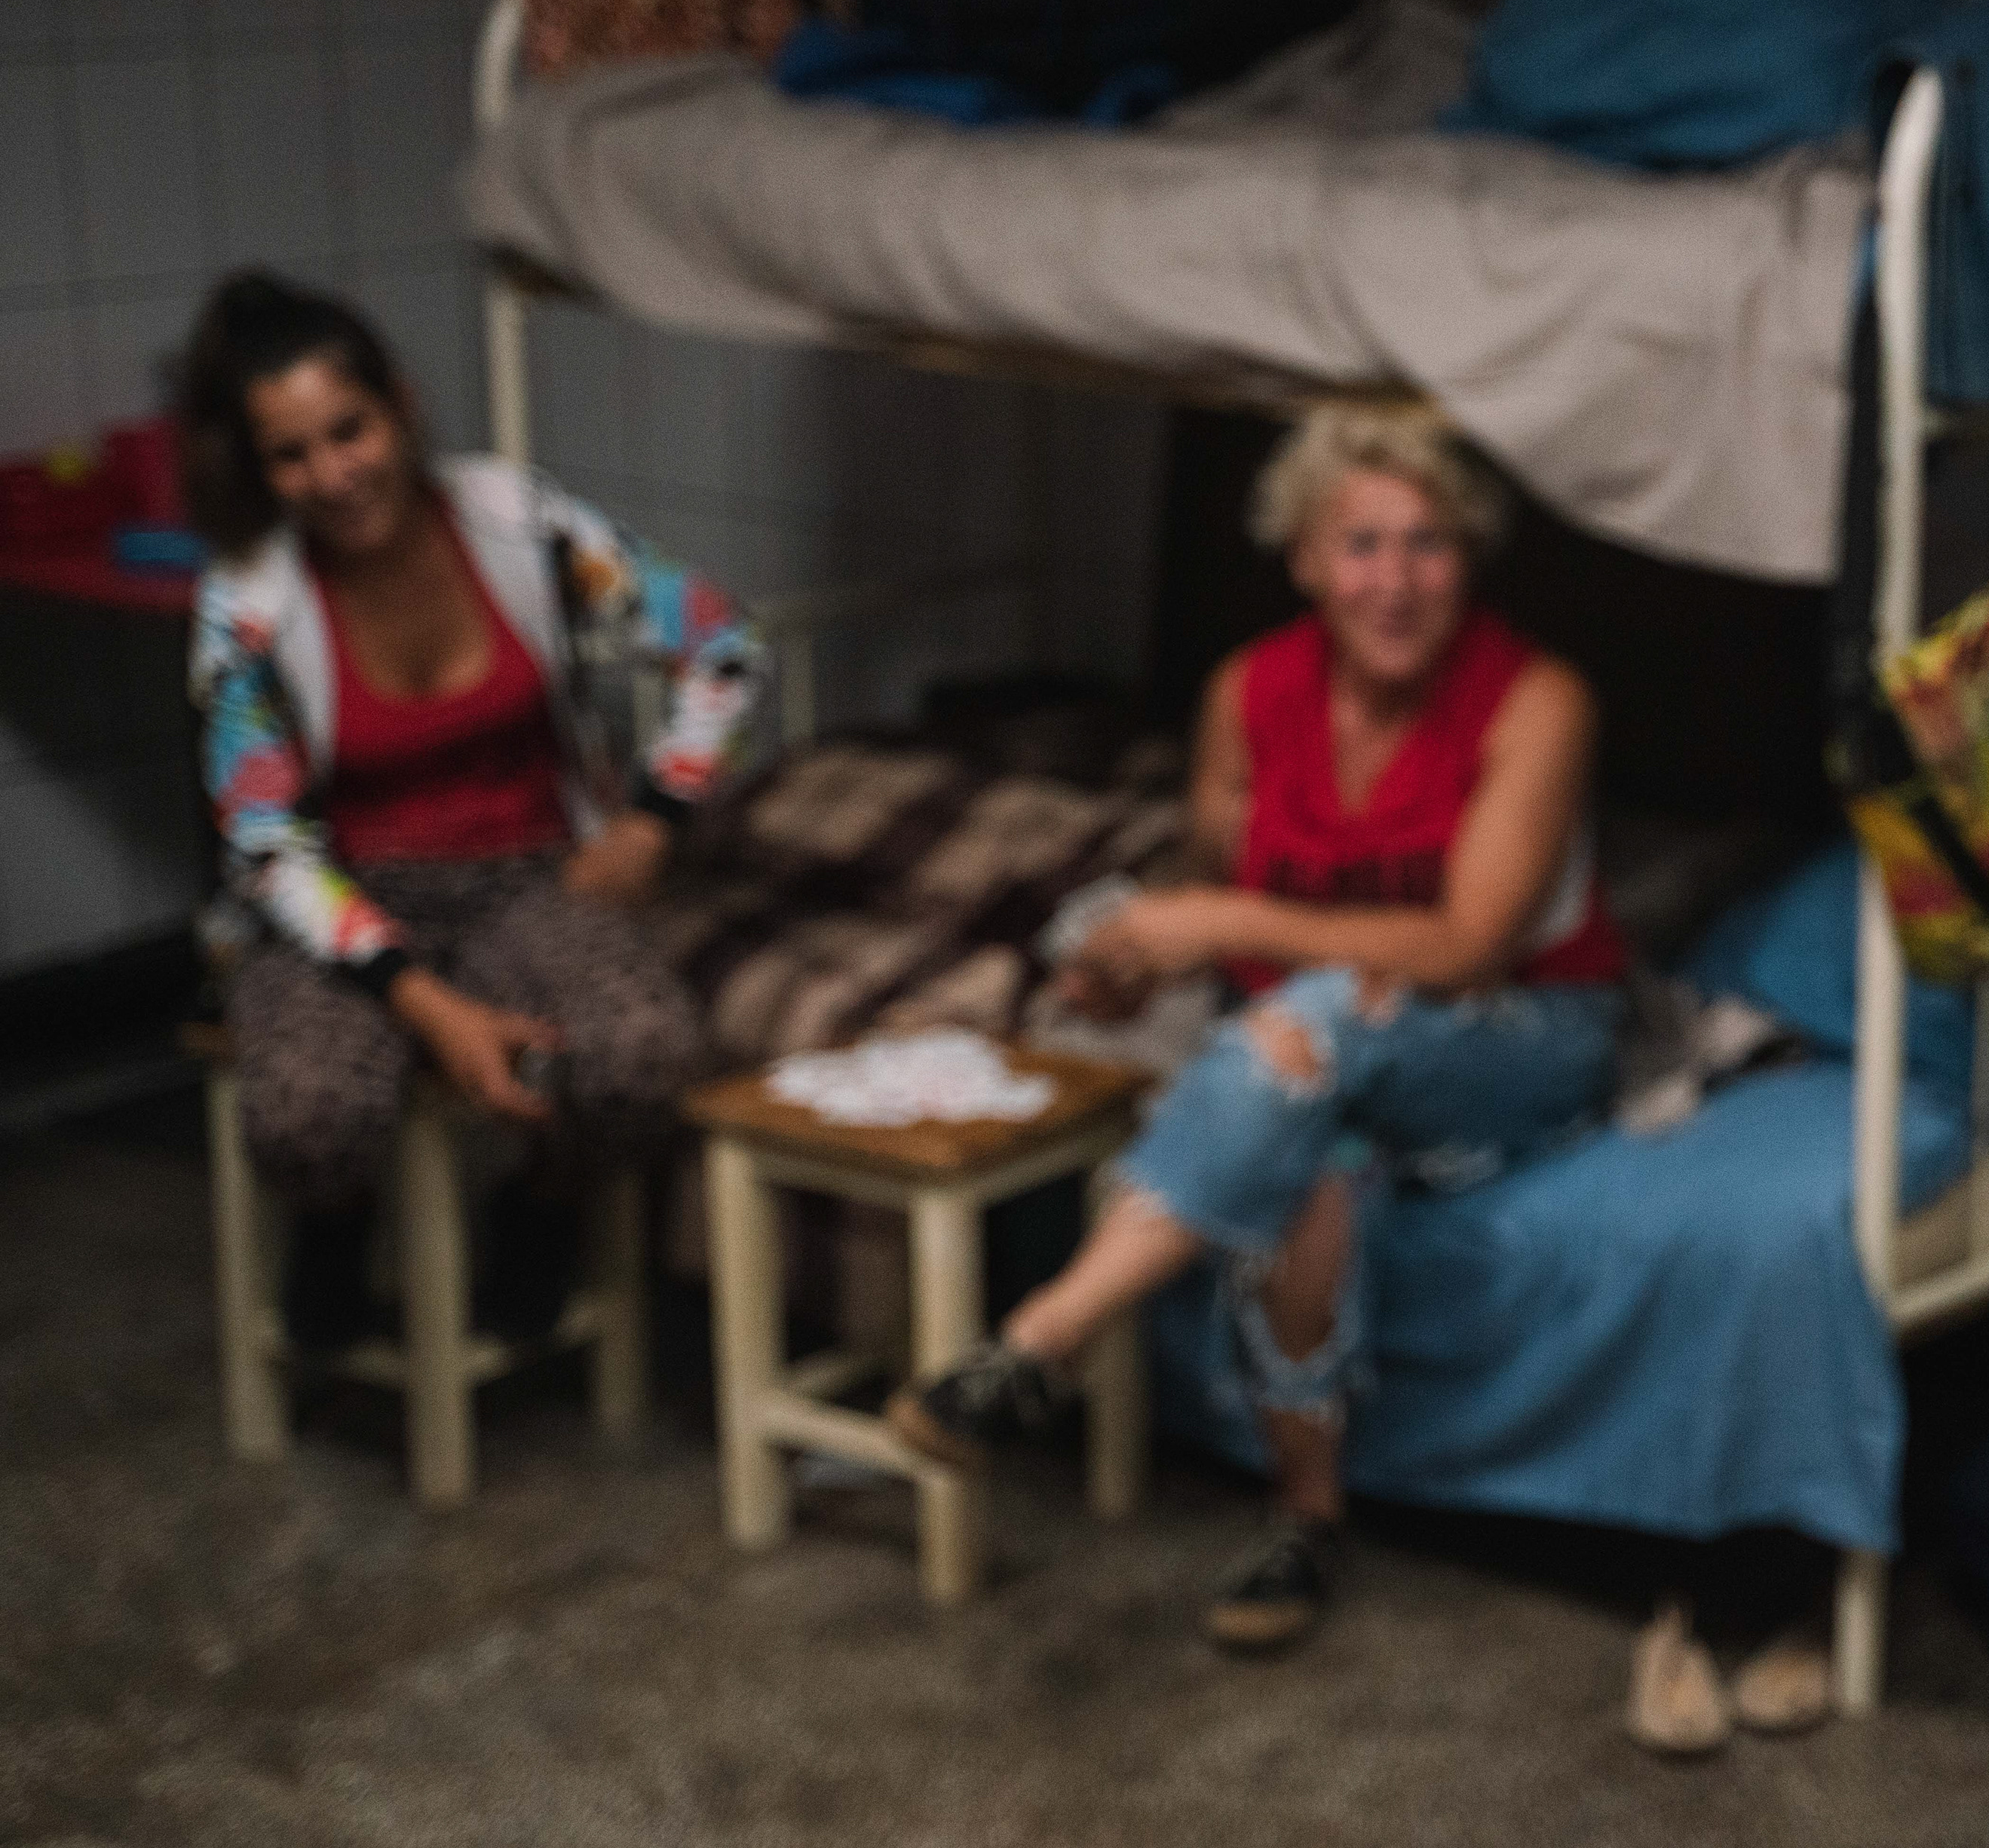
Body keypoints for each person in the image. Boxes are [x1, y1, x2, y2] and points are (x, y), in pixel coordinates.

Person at [887, 400, 1627, 1650]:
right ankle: (1307, 1515)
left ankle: (1044, 1336)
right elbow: (1217, 904)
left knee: (1310, 1021)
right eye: (1361, 544)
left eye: (1429, 544)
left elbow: (1467, 945)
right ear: (1305, 561)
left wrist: (1235, 928)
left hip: (1520, 1033)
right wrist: (1131, 971)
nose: (1395, 580)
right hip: (1316, 1043)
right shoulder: (1250, 691)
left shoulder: (1538, 701)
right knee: (1304, 1148)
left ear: (1469, 562)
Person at [185, 271, 760, 1344]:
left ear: (400, 406)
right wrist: (428, 1007)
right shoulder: (246, 599)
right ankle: (334, 1225)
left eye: (350, 431)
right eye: (291, 455)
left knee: (642, 1056)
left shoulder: (516, 518)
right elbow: (265, 843)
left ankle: (541, 1207)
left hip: (531, 877)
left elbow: (722, 645)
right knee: (308, 1113)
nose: (332, 474)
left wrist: (655, 817)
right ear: (260, 471)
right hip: (337, 903)